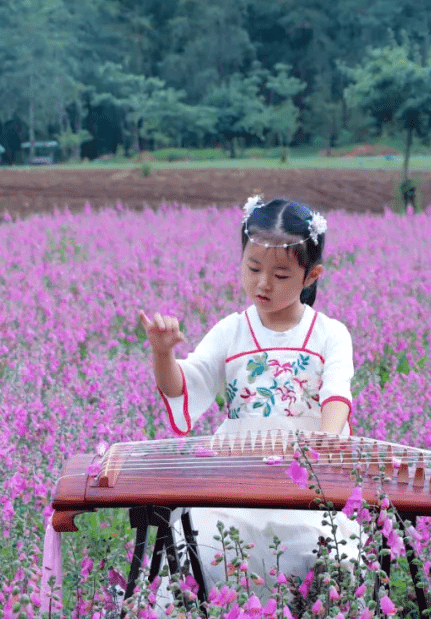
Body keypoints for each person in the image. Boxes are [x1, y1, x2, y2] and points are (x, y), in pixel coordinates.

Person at [139, 195, 358, 589]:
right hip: (234, 480)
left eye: (281, 275)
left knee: (334, 552)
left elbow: (336, 394)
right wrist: (162, 352)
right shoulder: (231, 330)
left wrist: (324, 444)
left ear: (311, 275)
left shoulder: (330, 333)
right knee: (198, 543)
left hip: (306, 482)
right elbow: (185, 386)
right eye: (253, 267)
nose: (262, 283)